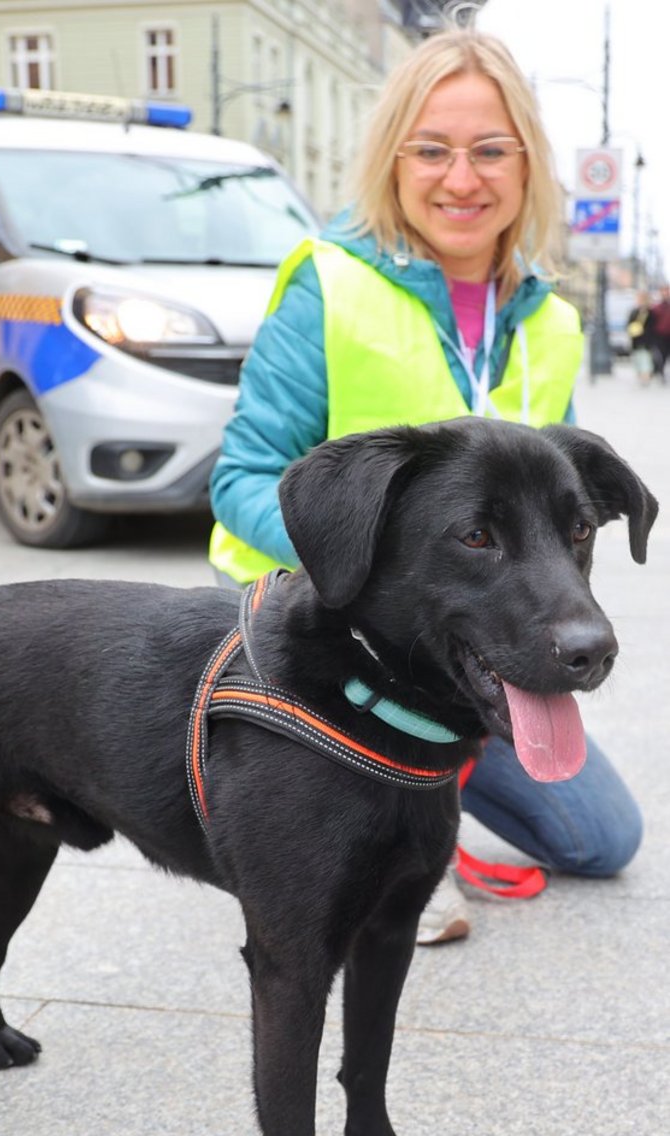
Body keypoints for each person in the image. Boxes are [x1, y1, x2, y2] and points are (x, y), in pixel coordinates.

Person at [208, 25, 643, 944]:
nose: (462, 178)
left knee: (602, 836)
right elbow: (241, 475)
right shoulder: (331, 285)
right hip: (328, 632)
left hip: (473, 624)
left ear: (527, 166)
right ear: (392, 161)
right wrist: (351, 560)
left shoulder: (553, 324)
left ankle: (431, 787)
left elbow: (545, 512)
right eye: (433, 149)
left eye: (491, 150)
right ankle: (386, 820)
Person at [626, 289, 655, 385]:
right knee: (638, 358)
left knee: (645, 358)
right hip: (635, 339)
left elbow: (652, 326)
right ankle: (641, 376)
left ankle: (645, 377)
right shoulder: (634, 311)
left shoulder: (650, 312)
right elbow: (629, 323)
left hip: (645, 340)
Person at [647, 283, 670, 382]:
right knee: (661, 355)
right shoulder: (655, 308)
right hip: (659, 335)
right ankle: (659, 371)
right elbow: (650, 323)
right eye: (664, 291)